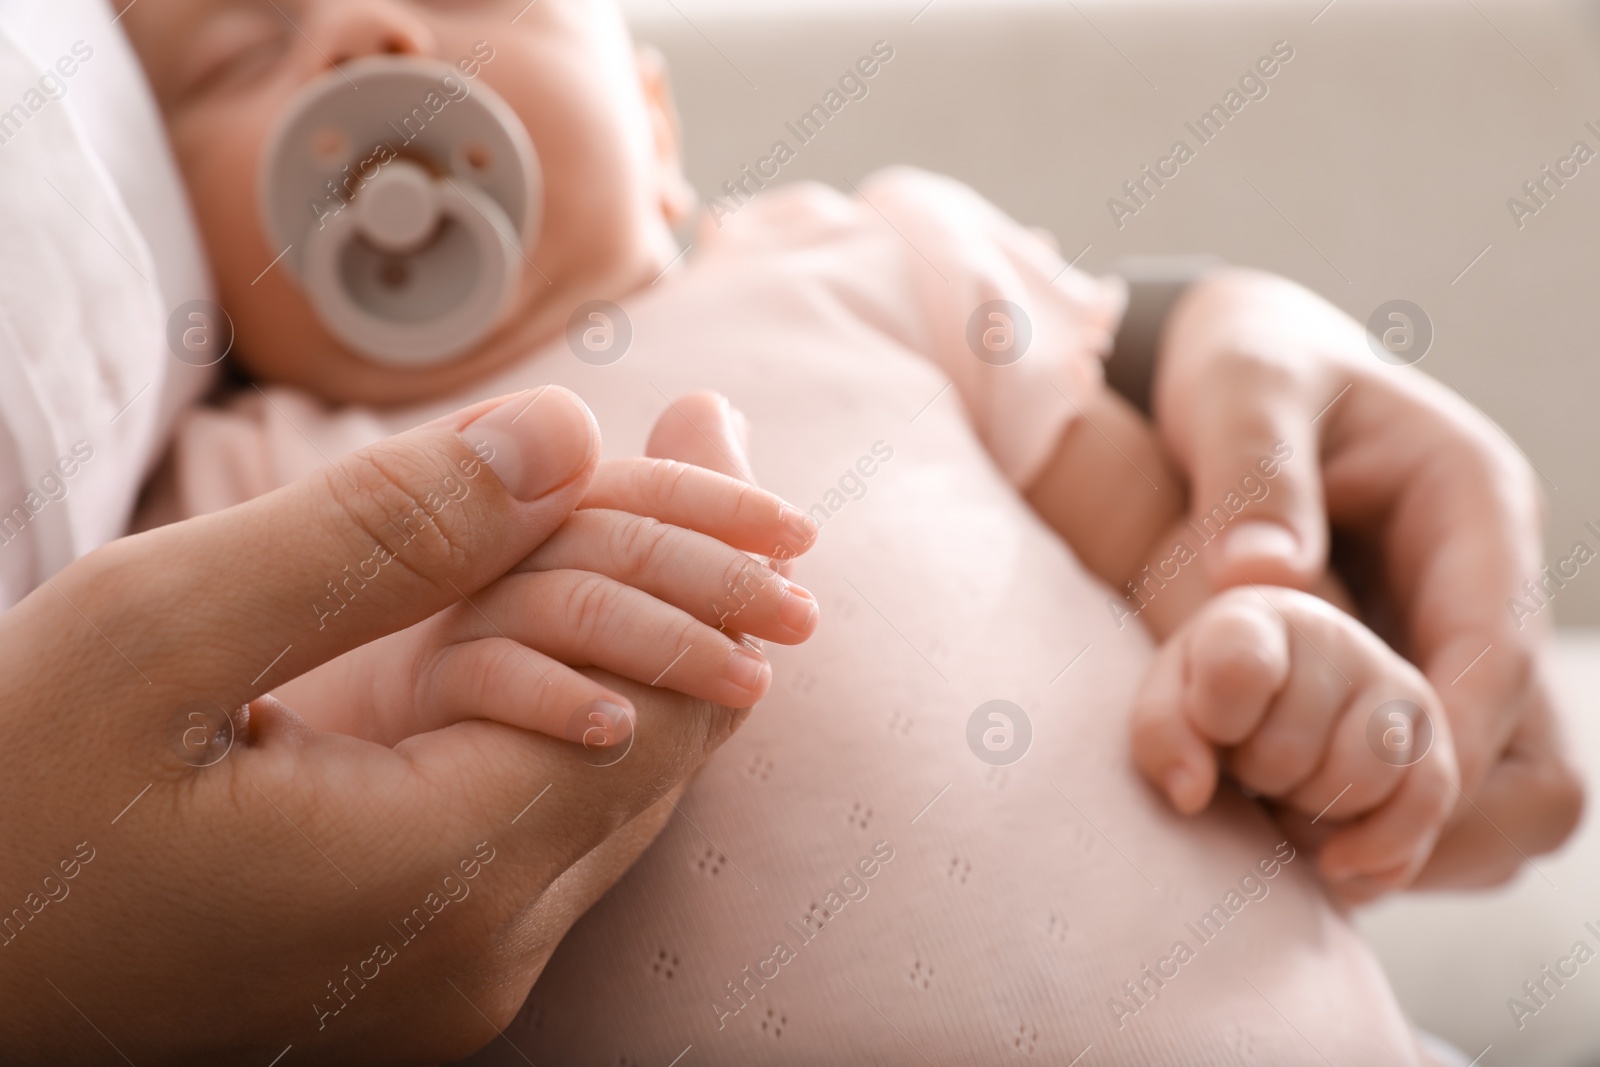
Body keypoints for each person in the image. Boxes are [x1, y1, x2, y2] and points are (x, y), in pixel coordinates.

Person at [0, 2, 1576, 1064]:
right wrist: (430, 701)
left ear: (651, 104)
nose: (365, 34)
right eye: (239, 49)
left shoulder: (862, 253)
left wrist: (1266, 648)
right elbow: (238, 790)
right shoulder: (229, 491)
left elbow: (1160, 539)